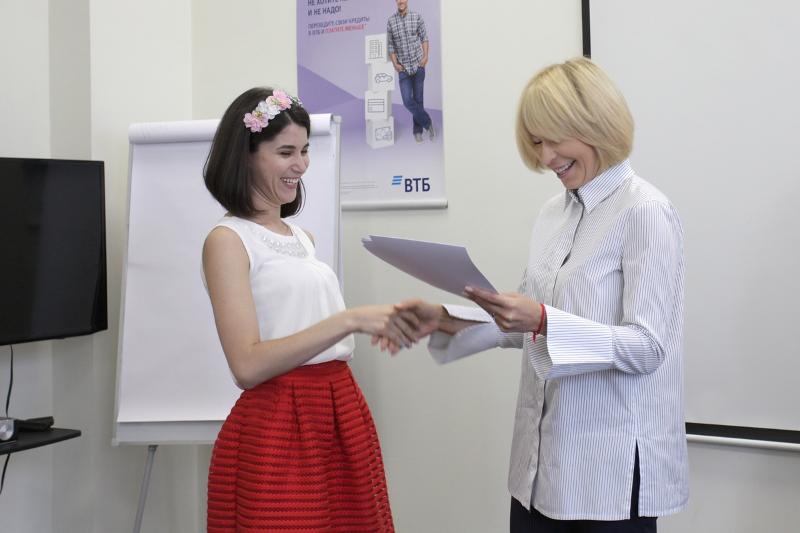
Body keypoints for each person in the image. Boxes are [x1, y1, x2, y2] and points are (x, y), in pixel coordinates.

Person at [397, 58, 689, 532]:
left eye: (556, 139)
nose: (547, 157)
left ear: (597, 124)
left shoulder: (646, 212)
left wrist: (542, 320)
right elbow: (523, 322)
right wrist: (446, 318)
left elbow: (649, 346)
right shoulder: (554, 212)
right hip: (539, 466)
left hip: (609, 476)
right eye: (536, 142)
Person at [202, 87, 408, 532]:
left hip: (338, 411)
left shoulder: (302, 239)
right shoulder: (228, 241)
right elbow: (246, 365)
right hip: (280, 423)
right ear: (246, 157)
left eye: (305, 151)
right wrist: (348, 320)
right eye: (286, 152)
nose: (301, 164)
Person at [387, 0, 435, 143]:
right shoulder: (391, 21)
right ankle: (428, 123)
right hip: (403, 69)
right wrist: (395, 64)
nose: (401, 1)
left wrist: (425, 57)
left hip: (418, 64)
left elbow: (424, 38)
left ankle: (417, 131)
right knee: (408, 100)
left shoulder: (416, 17)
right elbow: (390, 46)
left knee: (418, 100)